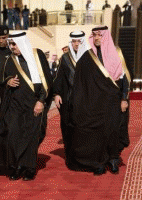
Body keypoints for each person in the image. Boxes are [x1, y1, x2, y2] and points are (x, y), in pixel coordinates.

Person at [0, 31, 52, 181]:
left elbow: (48, 80)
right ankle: (17, 166)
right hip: (15, 104)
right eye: (10, 44)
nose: (11, 47)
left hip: (34, 104)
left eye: (14, 44)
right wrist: (8, 82)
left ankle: (29, 168)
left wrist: (41, 101)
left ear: (22, 42)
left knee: (30, 137)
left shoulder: (37, 55)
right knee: (13, 134)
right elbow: (3, 79)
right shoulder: (10, 60)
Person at [67, 26, 124, 175]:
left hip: (111, 102)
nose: (97, 38)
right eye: (94, 35)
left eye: (100, 35)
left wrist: (124, 98)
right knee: (96, 132)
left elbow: (122, 80)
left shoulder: (115, 55)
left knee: (112, 130)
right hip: (94, 103)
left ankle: (112, 160)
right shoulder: (87, 57)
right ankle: (98, 162)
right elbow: (80, 82)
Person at [53, 31, 89, 163]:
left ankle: (84, 155)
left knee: (84, 128)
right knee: (68, 126)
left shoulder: (89, 56)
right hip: (69, 99)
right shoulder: (65, 58)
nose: (76, 44)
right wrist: (57, 94)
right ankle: (70, 155)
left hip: (85, 99)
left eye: (79, 41)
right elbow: (59, 78)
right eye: (74, 41)